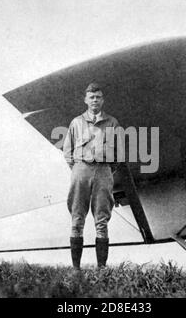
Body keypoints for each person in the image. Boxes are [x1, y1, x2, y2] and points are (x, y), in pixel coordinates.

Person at [63, 82, 121, 270]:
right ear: (86, 100)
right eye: (91, 97)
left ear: (103, 100)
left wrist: (105, 170)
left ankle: (102, 267)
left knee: (102, 219)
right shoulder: (76, 122)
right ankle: (76, 269)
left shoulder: (112, 122)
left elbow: (119, 153)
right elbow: (67, 152)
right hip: (81, 170)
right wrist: (79, 168)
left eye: (98, 97)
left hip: (103, 171)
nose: (95, 100)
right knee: (77, 218)